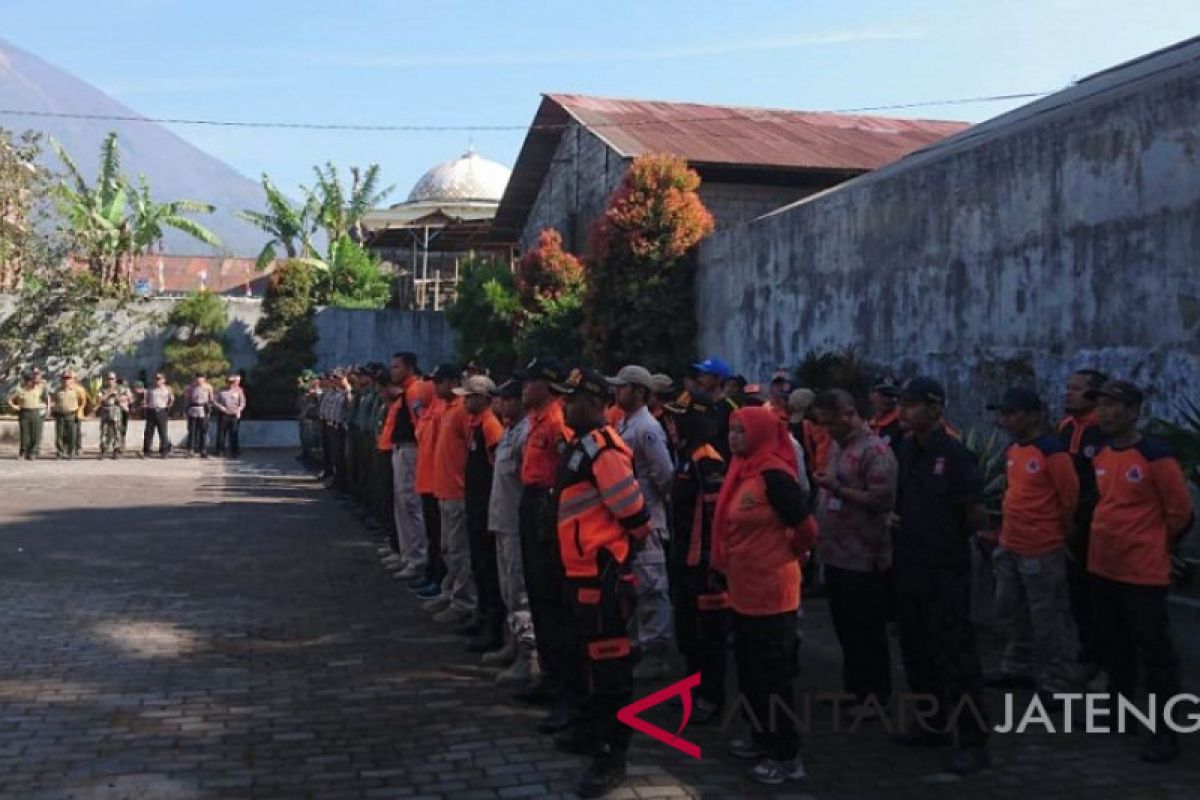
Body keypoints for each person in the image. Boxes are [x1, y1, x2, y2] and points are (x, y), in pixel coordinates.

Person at [549, 366, 651, 798]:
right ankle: (592, 732)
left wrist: (618, 555)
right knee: (586, 660)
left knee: (610, 669)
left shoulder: (604, 450)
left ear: (594, 403)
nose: (564, 405)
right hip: (580, 573)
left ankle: (613, 753)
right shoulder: (582, 446)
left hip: (601, 575)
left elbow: (635, 514)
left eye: (571, 399)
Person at [1087, 380, 1193, 763]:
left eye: (1113, 405)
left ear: (1133, 411)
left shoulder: (1155, 456)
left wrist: (1154, 544)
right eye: (1099, 405)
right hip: (1103, 566)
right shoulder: (1099, 453)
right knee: (1115, 648)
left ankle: (1165, 732)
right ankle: (1120, 713)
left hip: (1143, 572)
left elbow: (1180, 512)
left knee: (1156, 656)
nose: (1104, 412)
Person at [713, 405, 817, 786]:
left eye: (741, 431)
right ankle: (761, 738)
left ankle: (786, 755)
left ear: (758, 434)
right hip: (743, 590)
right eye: (732, 430)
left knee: (774, 677)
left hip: (773, 593)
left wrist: (790, 552)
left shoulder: (774, 474)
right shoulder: (742, 470)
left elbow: (806, 527)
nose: (733, 437)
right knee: (751, 673)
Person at [891, 377, 990, 774]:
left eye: (912, 405)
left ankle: (973, 741)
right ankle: (932, 724)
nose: (904, 411)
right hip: (909, 568)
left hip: (945, 573)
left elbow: (974, 513)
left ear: (934, 408)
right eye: (902, 404)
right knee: (917, 653)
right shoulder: (906, 449)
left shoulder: (954, 454)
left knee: (956, 658)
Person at [984, 388, 1080, 696]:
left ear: (1033, 415)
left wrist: (1056, 534)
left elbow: (1069, 498)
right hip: (1011, 543)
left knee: (1048, 617)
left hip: (1041, 547)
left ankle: (1057, 681)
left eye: (1013, 413)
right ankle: (1017, 667)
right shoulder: (1015, 450)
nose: (1006, 420)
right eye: (1004, 414)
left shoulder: (1052, 452)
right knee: (1011, 610)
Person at [811, 389, 898, 713]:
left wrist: (838, 490)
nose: (827, 430)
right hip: (836, 554)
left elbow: (881, 500)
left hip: (864, 557)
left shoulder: (875, 451)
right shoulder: (838, 446)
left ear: (848, 414)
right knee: (846, 628)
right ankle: (855, 688)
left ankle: (875, 696)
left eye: (831, 423)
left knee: (867, 632)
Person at [511, 358, 575, 733]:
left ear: (547, 386)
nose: (523, 388)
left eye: (529, 382)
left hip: (548, 507)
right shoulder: (537, 419)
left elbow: (564, 474)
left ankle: (563, 685)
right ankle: (550, 677)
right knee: (538, 595)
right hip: (531, 500)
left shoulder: (557, 421)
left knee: (552, 601)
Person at [665, 389, 729, 724]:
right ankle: (692, 686)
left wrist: (712, 563)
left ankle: (711, 695)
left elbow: (714, 516)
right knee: (687, 629)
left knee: (709, 633)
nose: (673, 422)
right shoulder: (685, 453)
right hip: (681, 558)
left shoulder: (707, 458)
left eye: (680, 416)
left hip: (703, 564)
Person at [609, 364, 676, 680]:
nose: (617, 392)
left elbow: (664, 474)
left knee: (651, 586)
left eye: (623, 387)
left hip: (647, 516)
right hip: (628, 518)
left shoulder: (647, 428)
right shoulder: (625, 424)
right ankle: (639, 643)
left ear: (639, 391)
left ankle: (656, 652)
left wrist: (652, 504)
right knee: (634, 584)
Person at [1057, 368, 1109, 680]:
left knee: (1101, 596)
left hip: (1099, 526)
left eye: (1076, 389)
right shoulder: (1065, 428)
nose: (1068, 393)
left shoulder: (1102, 432)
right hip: (1071, 525)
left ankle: (1108, 662)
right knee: (1077, 593)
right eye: (1068, 387)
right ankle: (1088, 653)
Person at [485, 378, 537, 687]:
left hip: (517, 525)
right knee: (507, 587)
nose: (500, 404)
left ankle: (529, 655)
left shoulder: (527, 433)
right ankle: (514, 642)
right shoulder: (510, 432)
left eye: (506, 399)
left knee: (520, 590)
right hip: (502, 520)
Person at [457, 374, 506, 653]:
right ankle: (482, 615)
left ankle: (492, 625)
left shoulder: (490, 426)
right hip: (475, 503)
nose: (465, 400)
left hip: (488, 505)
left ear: (484, 399)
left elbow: (498, 468)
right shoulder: (477, 425)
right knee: (478, 563)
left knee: (488, 567)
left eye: (470, 396)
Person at [427, 364, 477, 628]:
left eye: (439, 382)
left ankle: (464, 603)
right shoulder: (447, 409)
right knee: (448, 548)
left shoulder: (461, 411)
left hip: (457, 492)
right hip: (444, 489)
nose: (435, 386)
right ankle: (451, 592)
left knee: (459, 551)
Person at [383, 353, 429, 585]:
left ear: (409, 368)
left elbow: (420, 421)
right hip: (400, 448)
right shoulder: (405, 392)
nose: (392, 371)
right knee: (401, 504)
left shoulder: (415, 391)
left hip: (411, 450)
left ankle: (416, 559)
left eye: (396, 367)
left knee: (410, 504)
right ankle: (406, 554)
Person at [413, 374, 448, 600]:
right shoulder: (428, 411)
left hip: (440, 483)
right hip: (427, 481)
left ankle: (439, 579)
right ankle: (432, 575)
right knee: (433, 534)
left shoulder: (441, 410)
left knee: (440, 537)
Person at [691, 357, 736, 459]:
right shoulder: (702, 405)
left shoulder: (729, 407)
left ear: (718, 378)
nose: (700, 379)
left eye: (705, 375)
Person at [8, 370, 49, 460]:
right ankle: (23, 452)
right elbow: (10, 400)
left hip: (35, 412)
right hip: (24, 413)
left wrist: (45, 407)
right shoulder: (20, 390)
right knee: (24, 434)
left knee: (35, 433)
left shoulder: (39, 389)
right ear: (26, 381)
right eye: (31, 381)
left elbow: (46, 398)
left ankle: (32, 453)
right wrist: (15, 407)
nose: (33, 383)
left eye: (33, 381)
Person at [52, 370, 88, 459]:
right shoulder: (58, 390)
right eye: (64, 378)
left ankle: (71, 452)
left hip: (71, 414)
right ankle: (60, 452)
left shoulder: (77, 390)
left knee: (72, 434)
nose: (66, 380)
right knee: (60, 435)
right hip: (60, 414)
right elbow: (54, 400)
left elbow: (83, 401)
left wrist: (79, 411)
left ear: (72, 379)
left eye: (68, 378)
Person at [97, 372, 133, 459]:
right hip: (106, 410)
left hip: (116, 410)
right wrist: (109, 394)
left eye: (112, 379)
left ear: (115, 379)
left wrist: (119, 398)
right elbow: (100, 399)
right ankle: (104, 450)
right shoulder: (103, 388)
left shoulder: (120, 388)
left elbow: (130, 397)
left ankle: (116, 450)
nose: (110, 380)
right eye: (109, 379)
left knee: (117, 431)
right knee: (104, 431)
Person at [213, 374, 246, 457]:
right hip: (223, 415)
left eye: (232, 382)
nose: (231, 384)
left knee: (234, 434)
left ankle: (234, 452)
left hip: (234, 415)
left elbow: (242, 402)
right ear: (226, 382)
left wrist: (239, 409)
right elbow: (214, 401)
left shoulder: (239, 391)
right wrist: (220, 407)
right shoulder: (221, 390)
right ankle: (220, 451)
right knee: (221, 434)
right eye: (229, 382)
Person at [142, 373, 175, 458]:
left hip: (162, 411)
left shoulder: (168, 389)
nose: (157, 381)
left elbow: (171, 399)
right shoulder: (150, 389)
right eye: (156, 379)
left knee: (163, 432)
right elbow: (146, 399)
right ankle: (147, 451)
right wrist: (146, 405)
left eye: (159, 379)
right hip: (151, 410)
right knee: (149, 432)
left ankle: (164, 451)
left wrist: (168, 407)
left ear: (164, 380)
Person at [868, 378, 905, 449]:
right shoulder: (868, 426)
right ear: (871, 395)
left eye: (892, 395)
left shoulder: (902, 426)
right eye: (883, 394)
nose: (887, 400)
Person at [184, 374, 214, 458]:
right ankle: (191, 450)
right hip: (193, 410)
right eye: (197, 378)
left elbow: (211, 399)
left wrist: (209, 410)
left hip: (203, 410)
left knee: (203, 432)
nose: (199, 380)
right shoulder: (190, 387)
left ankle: (203, 450)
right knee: (192, 431)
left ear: (204, 379)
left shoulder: (208, 387)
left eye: (201, 378)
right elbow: (187, 399)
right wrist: (185, 410)